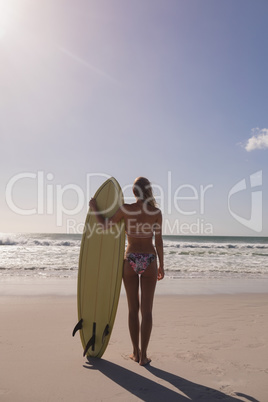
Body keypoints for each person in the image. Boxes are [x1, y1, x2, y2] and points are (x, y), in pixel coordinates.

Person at [89, 177, 164, 366]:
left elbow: (105, 225)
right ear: (149, 191)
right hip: (149, 259)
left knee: (133, 309)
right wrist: (162, 264)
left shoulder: (125, 209)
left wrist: (94, 208)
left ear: (134, 192)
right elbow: (159, 241)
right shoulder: (156, 212)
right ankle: (144, 356)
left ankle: (135, 352)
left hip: (130, 259)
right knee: (147, 311)